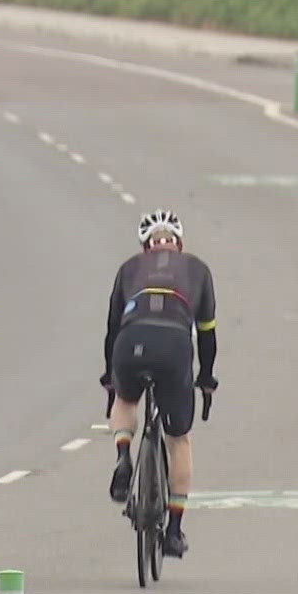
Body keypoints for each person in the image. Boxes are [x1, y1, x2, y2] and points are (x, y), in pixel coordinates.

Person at [101, 209, 218, 558]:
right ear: (179, 244)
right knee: (178, 439)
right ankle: (174, 532)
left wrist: (111, 381)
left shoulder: (129, 269)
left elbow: (111, 331)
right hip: (175, 345)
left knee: (126, 399)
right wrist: (206, 380)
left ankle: (124, 454)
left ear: (144, 246)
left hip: (130, 340)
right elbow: (208, 335)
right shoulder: (197, 269)